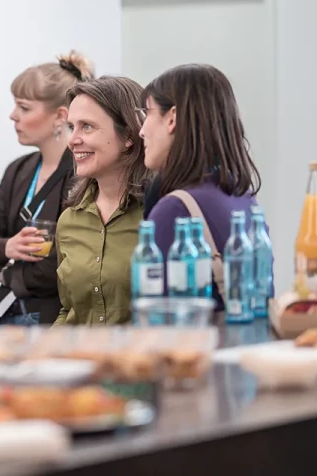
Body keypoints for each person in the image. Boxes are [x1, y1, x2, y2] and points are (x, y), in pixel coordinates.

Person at [0, 51, 94, 326]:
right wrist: (7, 246)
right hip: (7, 315)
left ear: (60, 115)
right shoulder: (18, 170)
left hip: (54, 321)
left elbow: (69, 261)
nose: (13, 116)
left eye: (24, 108)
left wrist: (8, 275)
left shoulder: (83, 173)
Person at [139, 63, 264, 309]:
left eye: (147, 113)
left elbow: (156, 317)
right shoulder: (244, 197)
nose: (142, 131)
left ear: (172, 118)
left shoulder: (175, 210)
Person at [55, 76, 149, 325]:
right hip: (76, 351)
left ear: (128, 135)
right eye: (71, 127)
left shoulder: (156, 214)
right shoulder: (69, 220)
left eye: (87, 126)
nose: (72, 140)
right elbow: (68, 311)